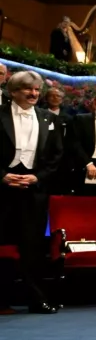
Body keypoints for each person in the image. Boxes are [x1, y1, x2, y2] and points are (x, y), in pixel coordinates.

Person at [0, 71, 63, 314]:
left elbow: (56, 156)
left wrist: (37, 177)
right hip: (3, 189)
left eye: (37, 89)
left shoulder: (49, 118)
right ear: (13, 92)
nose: (34, 93)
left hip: (33, 190)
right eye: (28, 89)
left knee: (33, 247)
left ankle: (36, 299)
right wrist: (2, 176)